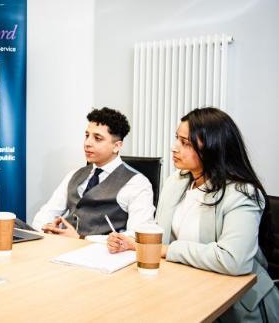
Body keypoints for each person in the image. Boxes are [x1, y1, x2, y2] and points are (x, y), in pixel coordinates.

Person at [107, 107, 279, 322]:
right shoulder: (177, 181)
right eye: (176, 139)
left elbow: (233, 260)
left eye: (185, 143)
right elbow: (163, 234)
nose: (174, 148)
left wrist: (165, 250)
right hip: (186, 289)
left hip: (236, 305)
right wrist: (135, 242)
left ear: (213, 148)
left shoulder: (241, 193)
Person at [32, 107, 155, 240]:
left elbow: (137, 236)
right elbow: (47, 213)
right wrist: (48, 228)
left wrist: (81, 238)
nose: (87, 143)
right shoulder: (74, 175)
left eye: (97, 138)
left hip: (102, 255)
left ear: (117, 146)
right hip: (61, 248)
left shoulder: (137, 184)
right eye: (87, 136)